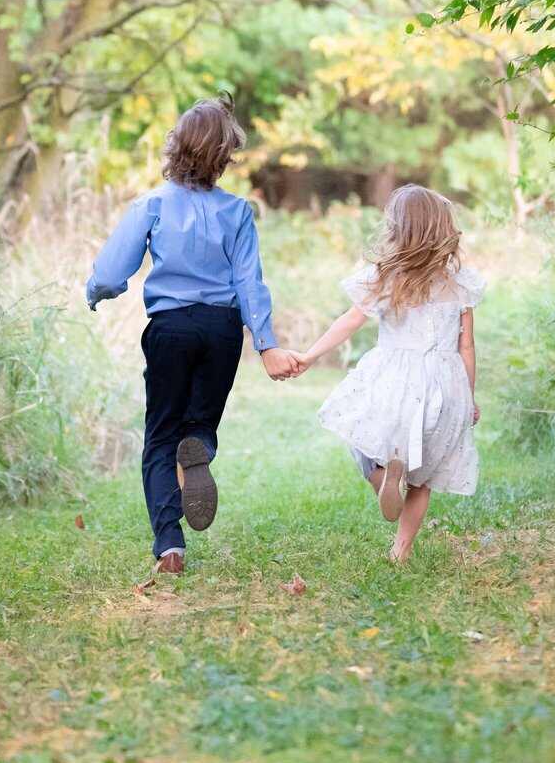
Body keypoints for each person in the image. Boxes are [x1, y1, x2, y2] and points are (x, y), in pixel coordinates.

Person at [87, 93, 301, 576]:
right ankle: (200, 445)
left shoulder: (153, 204)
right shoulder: (238, 211)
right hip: (221, 330)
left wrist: (96, 292)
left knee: (161, 436)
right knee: (199, 422)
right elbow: (250, 282)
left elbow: (111, 269)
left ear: (175, 147)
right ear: (224, 158)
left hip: (171, 329)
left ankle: (170, 545)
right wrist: (264, 343)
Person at [290, 185, 483, 562]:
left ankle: (382, 480)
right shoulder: (459, 284)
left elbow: (351, 321)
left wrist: (311, 354)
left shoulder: (385, 277)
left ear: (398, 229)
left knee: (361, 439)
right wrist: (469, 399)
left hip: (394, 378)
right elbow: (467, 346)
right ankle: (401, 551)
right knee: (423, 476)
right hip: (445, 386)